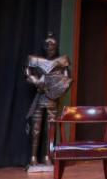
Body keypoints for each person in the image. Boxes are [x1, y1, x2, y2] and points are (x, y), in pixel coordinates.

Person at [24, 33, 72, 167]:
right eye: (47, 45)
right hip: (40, 96)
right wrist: (36, 81)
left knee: (50, 128)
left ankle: (47, 156)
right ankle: (33, 157)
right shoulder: (35, 60)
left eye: (52, 45)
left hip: (52, 98)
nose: (49, 47)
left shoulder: (62, 60)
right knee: (36, 128)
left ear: (56, 47)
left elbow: (66, 80)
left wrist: (57, 88)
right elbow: (27, 73)